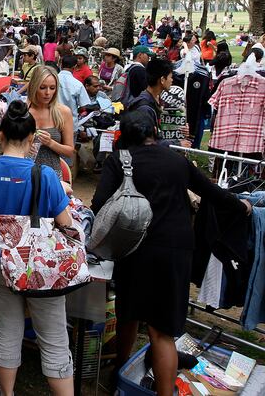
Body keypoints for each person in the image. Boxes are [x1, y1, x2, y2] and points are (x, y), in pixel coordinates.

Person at [91, 111, 252, 396]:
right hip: (176, 250)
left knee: (129, 312)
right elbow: (212, 193)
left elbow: (99, 202)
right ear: (155, 131)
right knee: (161, 331)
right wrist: (244, 208)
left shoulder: (120, 160)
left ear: (124, 136)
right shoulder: (178, 160)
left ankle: (119, 371)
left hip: (134, 250)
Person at [0, 100, 74, 396]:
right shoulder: (46, 176)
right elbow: (65, 222)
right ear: (32, 138)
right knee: (54, 337)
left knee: (7, 330)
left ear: (0, 135)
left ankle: (6, 392)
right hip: (41, 268)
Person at [126, 57, 191, 148]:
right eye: (170, 77)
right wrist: (177, 144)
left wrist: (178, 129)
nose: (172, 80)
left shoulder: (160, 100)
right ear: (162, 80)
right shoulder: (144, 108)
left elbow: (161, 131)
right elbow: (144, 143)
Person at [27, 66, 75, 179]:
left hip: (52, 175)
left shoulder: (63, 112)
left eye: (52, 88)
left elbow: (69, 151)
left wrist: (50, 143)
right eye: (42, 87)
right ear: (34, 87)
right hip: (25, 173)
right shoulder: (24, 111)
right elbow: (7, 145)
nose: (48, 93)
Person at [58, 55, 91, 128]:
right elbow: (84, 105)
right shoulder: (77, 84)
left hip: (53, 122)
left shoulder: (52, 80)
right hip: (70, 123)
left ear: (61, 65)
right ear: (75, 67)